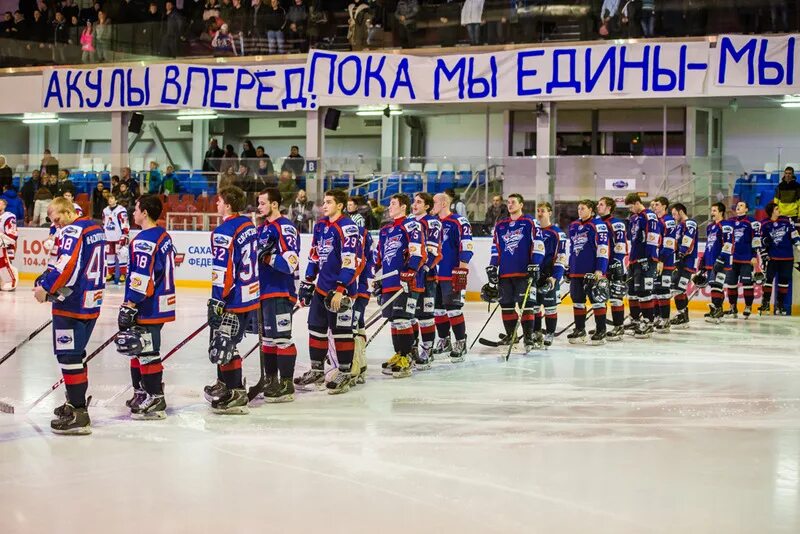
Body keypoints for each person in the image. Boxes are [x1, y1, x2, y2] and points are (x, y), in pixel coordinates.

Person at [34, 197, 106, 435]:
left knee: (68, 357)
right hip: (91, 301)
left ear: (68, 211)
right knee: (77, 355)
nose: (57, 225)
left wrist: (47, 288)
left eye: (57, 219)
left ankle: (79, 413)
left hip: (72, 303)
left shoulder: (73, 230)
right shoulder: (95, 228)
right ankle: (74, 403)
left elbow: (67, 266)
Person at [295, 189, 360, 394]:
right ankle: (317, 370)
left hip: (342, 291)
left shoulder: (348, 227)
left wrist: (341, 287)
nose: (324, 205)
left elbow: (351, 260)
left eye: (329, 202)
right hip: (322, 288)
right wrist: (307, 280)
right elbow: (315, 254)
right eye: (324, 202)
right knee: (316, 327)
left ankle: (344, 371)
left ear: (340, 205)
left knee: (341, 332)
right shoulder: (321, 225)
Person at [118, 195, 176, 420]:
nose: (133, 212)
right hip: (159, 303)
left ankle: (155, 397)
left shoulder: (145, 239)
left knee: (148, 351)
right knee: (137, 349)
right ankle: (141, 392)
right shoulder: (163, 235)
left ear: (145, 213)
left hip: (148, 306)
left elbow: (143, 277)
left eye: (136, 208)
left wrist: (130, 304)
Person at [204, 186, 260, 414]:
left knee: (224, 344)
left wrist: (217, 300)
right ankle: (226, 384)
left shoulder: (224, 230)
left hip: (233, 298)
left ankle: (235, 392)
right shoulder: (248, 225)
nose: (216, 205)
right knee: (228, 342)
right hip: (250, 293)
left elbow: (223, 270)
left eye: (219, 201)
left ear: (227, 205)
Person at [241, 188, 301, 402]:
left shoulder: (285, 227)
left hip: (280, 291)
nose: (259, 207)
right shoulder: (263, 228)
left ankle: (286, 383)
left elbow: (291, 263)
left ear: (274, 204)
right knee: (267, 340)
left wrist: (269, 259)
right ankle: (270, 379)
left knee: (281, 339)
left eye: (263, 203)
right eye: (258, 203)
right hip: (263, 292)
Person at [374, 194, 425, 378]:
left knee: (403, 319)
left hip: (406, 281)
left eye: (393, 204)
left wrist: (411, 270)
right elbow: (378, 255)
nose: (389, 207)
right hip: (389, 281)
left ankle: (407, 357)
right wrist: (375, 274)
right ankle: (399, 354)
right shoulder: (385, 230)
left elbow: (418, 250)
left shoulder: (411, 225)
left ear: (403, 207)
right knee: (394, 320)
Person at [485, 193, 544, 352]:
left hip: (523, 272)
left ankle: (528, 338)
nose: (510, 205)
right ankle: (511, 335)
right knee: (506, 306)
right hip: (505, 273)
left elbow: (538, 245)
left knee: (527, 306)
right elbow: (495, 248)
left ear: (521, 205)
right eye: (508, 202)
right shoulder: (500, 225)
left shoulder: (530, 222)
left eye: (513, 202)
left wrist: (535, 264)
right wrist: (493, 266)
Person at [431, 190, 473, 362]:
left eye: (434, 202)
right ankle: (444, 340)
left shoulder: (458, 222)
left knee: (453, 309)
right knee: (437, 310)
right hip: (434, 275)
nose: (431, 206)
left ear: (443, 204)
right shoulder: (432, 223)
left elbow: (467, 245)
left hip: (451, 273)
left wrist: (462, 269)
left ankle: (460, 342)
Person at [567, 200, 610, 345]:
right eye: (578, 208)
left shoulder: (598, 225)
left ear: (591, 210)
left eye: (583, 208)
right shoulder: (573, 226)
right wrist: (570, 267)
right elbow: (572, 248)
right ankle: (580, 329)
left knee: (597, 302)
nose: (579, 211)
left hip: (592, 272)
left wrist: (600, 269)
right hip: (576, 271)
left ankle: (601, 330)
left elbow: (603, 248)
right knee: (577, 301)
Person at [410, 192, 441, 368]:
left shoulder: (432, 222)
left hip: (427, 277)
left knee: (425, 315)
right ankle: (412, 348)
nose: (415, 204)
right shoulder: (410, 223)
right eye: (414, 201)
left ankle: (427, 349)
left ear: (427, 206)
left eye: (419, 202)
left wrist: (423, 269)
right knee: (410, 315)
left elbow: (434, 252)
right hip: (411, 277)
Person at [624, 193, 662, 338]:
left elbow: (653, 237)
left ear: (636, 203)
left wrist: (648, 258)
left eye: (630, 206)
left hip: (646, 259)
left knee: (644, 292)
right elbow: (632, 239)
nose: (630, 209)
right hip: (634, 260)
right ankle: (635, 320)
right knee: (632, 292)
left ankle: (648, 322)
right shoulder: (634, 218)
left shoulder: (649, 216)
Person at [533, 202, 567, 347]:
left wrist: (555, 277)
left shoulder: (558, 233)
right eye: (538, 211)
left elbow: (561, 256)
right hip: (535, 276)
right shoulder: (534, 231)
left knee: (550, 307)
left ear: (550, 213)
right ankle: (536, 332)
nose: (540, 213)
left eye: (543, 211)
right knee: (534, 307)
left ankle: (550, 333)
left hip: (549, 276)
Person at [596, 196, 628, 341]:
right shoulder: (595, 223)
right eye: (597, 204)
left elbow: (621, 245)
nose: (598, 206)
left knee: (616, 298)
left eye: (601, 204)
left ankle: (618, 327)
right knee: (600, 297)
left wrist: (616, 261)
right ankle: (600, 328)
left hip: (615, 267)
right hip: (601, 267)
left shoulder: (617, 224)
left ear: (609, 207)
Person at [760, 202, 799, 316]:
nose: (779, 210)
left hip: (787, 256)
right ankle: (766, 303)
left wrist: (798, 243)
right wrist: (764, 246)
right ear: (772, 211)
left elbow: (794, 234)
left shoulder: (786, 220)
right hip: (772, 257)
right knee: (768, 280)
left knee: (784, 281)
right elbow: (761, 240)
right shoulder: (765, 223)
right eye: (777, 208)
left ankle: (780, 305)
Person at [725, 200, 761, 318]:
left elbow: (756, 239)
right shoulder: (730, 222)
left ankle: (748, 306)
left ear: (746, 209)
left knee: (747, 284)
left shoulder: (752, 222)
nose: (738, 207)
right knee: (731, 284)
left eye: (741, 205)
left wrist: (754, 255)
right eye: (737, 205)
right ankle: (732, 307)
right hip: (732, 258)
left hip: (746, 259)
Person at [702, 203, 734, 324]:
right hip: (710, 261)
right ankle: (717, 310)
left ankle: (717, 310)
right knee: (713, 285)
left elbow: (728, 243)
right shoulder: (710, 227)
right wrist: (703, 261)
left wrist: (721, 258)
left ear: (721, 212)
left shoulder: (726, 225)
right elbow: (708, 245)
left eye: (714, 210)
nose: (712, 213)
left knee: (717, 284)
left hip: (721, 262)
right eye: (712, 210)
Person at [669, 203, 699, 329]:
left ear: (681, 212)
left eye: (675, 213)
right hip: (679, 262)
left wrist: (681, 253)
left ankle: (683, 316)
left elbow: (688, 240)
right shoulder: (679, 226)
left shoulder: (690, 223)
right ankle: (683, 315)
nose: (674, 216)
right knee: (676, 287)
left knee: (678, 288)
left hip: (687, 262)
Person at [651, 196, 677, 332]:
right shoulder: (656, 221)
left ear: (664, 206)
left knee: (663, 290)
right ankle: (656, 316)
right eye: (654, 204)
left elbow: (669, 244)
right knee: (654, 290)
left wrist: (661, 259)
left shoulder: (669, 221)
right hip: (655, 261)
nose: (654, 207)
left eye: (657, 204)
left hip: (665, 262)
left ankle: (665, 319)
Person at [102, 193, 130, 284]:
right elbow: (104, 223)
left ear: (116, 200)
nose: (110, 200)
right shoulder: (105, 210)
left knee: (122, 254)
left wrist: (125, 235)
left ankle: (123, 274)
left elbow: (125, 223)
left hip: (119, 236)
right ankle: (110, 273)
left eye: (112, 198)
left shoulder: (121, 210)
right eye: (109, 198)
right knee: (109, 255)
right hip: (108, 236)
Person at [0, 197, 19, 291]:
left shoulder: (9, 217)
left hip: (6, 243)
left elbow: (12, 232)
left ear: (4, 206)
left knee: (7, 263)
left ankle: (11, 281)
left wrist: (5, 241)